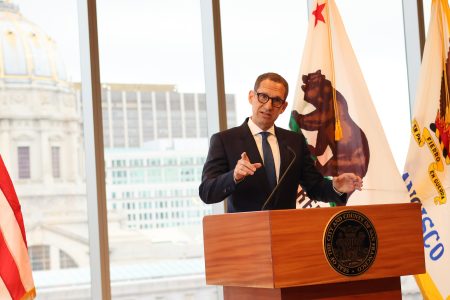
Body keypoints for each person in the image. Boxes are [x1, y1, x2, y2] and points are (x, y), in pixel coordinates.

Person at [199, 72, 362, 212]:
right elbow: (207, 192)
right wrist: (234, 176)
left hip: (285, 234)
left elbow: (314, 186)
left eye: (276, 100)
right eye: (263, 97)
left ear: (283, 107)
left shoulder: (294, 142)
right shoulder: (225, 140)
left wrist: (336, 186)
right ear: (251, 97)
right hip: (244, 237)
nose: (268, 106)